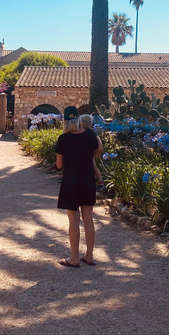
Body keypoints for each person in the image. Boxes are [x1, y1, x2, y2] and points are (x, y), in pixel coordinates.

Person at [55, 106, 101, 268]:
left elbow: (59, 165)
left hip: (70, 182)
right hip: (88, 180)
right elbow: (98, 150)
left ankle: (74, 258)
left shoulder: (63, 139)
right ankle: (89, 256)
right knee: (88, 219)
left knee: (73, 220)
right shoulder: (91, 135)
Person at [79, 114, 104, 189]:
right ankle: (99, 181)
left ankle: (100, 181)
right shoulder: (92, 133)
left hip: (88, 153)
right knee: (93, 167)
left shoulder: (88, 133)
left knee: (94, 167)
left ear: (83, 124)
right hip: (89, 153)